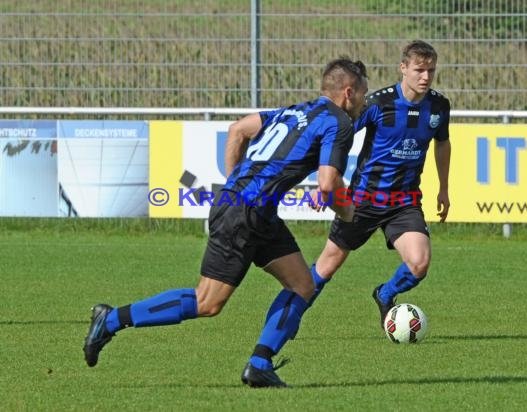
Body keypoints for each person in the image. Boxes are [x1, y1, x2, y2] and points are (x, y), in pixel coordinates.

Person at [82, 57, 368, 388]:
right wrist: (347, 214)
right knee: (208, 302)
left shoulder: (293, 111)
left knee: (302, 285)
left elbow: (238, 129)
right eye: (363, 93)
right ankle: (112, 319)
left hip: (256, 211)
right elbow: (329, 183)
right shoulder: (339, 123)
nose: (364, 100)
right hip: (245, 212)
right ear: (348, 92)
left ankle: (260, 364)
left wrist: (236, 181)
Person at [307, 40, 451, 330]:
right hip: (362, 199)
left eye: (431, 70)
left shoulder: (439, 105)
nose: (426, 76)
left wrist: (444, 188)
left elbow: (442, 143)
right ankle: (291, 316)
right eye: (419, 70)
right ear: (403, 68)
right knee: (327, 266)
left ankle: (385, 294)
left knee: (419, 263)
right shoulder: (377, 103)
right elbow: (336, 134)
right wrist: (318, 180)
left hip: (404, 202)